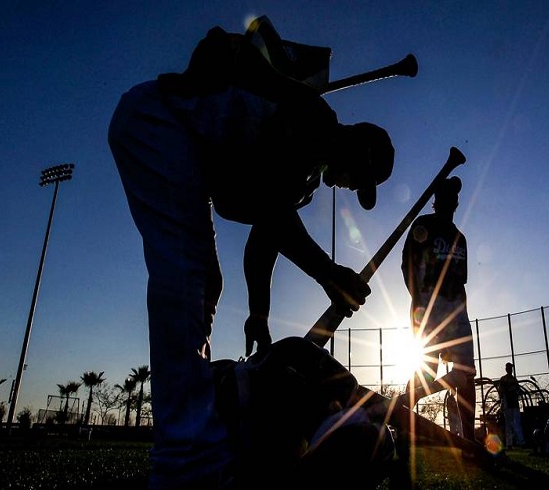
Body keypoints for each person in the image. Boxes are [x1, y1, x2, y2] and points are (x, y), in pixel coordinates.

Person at [108, 16, 394, 489]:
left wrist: (258, 312)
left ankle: (194, 442)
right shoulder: (317, 121)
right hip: (158, 121)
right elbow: (271, 214)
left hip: (178, 143)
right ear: (357, 150)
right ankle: (185, 459)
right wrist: (328, 273)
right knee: (189, 273)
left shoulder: (304, 179)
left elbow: (265, 236)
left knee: (204, 282)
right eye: (358, 178)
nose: (348, 187)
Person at [400, 176, 476, 443]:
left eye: (454, 197)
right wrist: (420, 300)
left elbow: (460, 279)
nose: (451, 201)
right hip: (428, 308)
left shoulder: (460, 238)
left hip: (457, 311)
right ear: (436, 200)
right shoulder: (423, 225)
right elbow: (407, 265)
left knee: (466, 373)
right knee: (427, 370)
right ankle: (403, 419)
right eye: (446, 196)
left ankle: (469, 438)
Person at [498, 362, 525, 448]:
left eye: (511, 368)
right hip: (508, 404)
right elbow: (501, 392)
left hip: (513, 404)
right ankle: (514, 442)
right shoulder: (505, 379)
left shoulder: (513, 379)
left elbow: (516, 391)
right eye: (509, 368)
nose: (510, 370)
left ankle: (519, 442)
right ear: (506, 369)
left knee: (514, 423)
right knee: (511, 424)